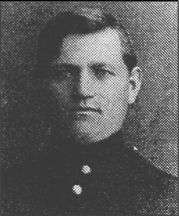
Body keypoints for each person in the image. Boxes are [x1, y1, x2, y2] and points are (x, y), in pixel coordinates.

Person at [2, 6, 177, 216]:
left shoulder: (167, 197)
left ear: (132, 86)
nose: (82, 90)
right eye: (65, 73)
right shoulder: (9, 190)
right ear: (43, 84)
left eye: (101, 72)